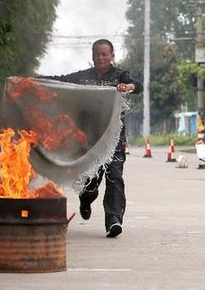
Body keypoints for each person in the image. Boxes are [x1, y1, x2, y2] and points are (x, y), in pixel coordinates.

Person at [43, 39, 142, 238]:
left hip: (114, 139)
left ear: (112, 56)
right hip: (88, 140)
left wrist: (127, 86)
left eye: (104, 54)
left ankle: (114, 221)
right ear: (92, 55)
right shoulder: (83, 77)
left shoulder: (119, 76)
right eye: (96, 53)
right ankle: (86, 199)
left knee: (115, 178)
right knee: (91, 180)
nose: (100, 57)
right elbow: (59, 80)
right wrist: (31, 79)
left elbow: (138, 85)